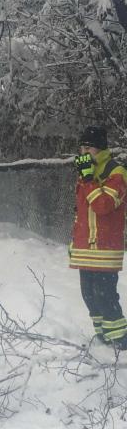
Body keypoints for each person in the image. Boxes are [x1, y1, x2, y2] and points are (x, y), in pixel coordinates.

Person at [70, 126, 127, 349]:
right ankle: (104, 338)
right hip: (86, 248)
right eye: (81, 147)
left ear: (100, 148)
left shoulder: (116, 172)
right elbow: (81, 213)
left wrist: (88, 180)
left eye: (89, 147)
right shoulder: (86, 173)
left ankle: (121, 341)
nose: (84, 151)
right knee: (89, 297)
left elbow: (103, 206)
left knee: (105, 298)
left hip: (105, 248)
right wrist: (74, 243)